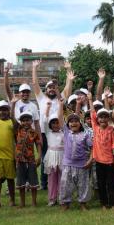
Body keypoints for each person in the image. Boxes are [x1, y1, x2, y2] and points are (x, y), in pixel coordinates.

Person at [32, 59, 75, 190]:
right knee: (46, 157)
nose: (51, 89)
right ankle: (45, 184)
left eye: (54, 87)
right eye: (49, 87)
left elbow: (68, 87)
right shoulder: (41, 98)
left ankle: (61, 181)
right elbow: (35, 84)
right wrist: (34, 68)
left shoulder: (61, 97)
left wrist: (69, 71)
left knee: (60, 156)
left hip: (60, 133)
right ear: (46, 89)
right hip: (45, 132)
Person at [59, 99, 93, 211]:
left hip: (82, 165)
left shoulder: (85, 135)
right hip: (68, 165)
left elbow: (93, 148)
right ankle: (65, 203)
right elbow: (60, 121)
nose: (73, 123)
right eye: (71, 121)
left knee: (83, 185)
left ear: (80, 123)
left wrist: (90, 160)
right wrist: (60, 105)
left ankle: (83, 203)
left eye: (76, 121)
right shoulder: (66, 133)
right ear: (68, 124)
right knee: (65, 185)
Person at [88, 93, 114, 210]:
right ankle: (104, 204)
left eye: (105, 117)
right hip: (99, 161)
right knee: (101, 184)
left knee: (111, 183)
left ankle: (113, 203)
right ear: (98, 119)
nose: (103, 119)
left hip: (110, 161)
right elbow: (92, 113)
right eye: (100, 117)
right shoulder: (95, 128)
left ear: (108, 118)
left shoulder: (111, 129)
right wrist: (91, 99)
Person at [11, 99, 41, 208]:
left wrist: (39, 156)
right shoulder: (18, 129)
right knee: (21, 183)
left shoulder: (34, 132)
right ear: (21, 122)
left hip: (31, 159)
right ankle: (22, 203)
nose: (25, 122)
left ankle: (34, 202)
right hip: (20, 160)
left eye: (28, 120)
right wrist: (13, 104)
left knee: (33, 182)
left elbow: (38, 144)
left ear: (31, 121)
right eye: (23, 120)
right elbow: (12, 118)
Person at [43, 101, 64, 206]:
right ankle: (52, 198)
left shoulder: (63, 132)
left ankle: (61, 197)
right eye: (53, 123)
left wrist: (60, 106)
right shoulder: (48, 132)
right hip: (51, 156)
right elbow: (44, 120)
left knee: (62, 178)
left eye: (57, 122)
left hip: (61, 156)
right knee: (51, 179)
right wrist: (47, 107)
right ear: (50, 124)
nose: (56, 125)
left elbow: (61, 119)